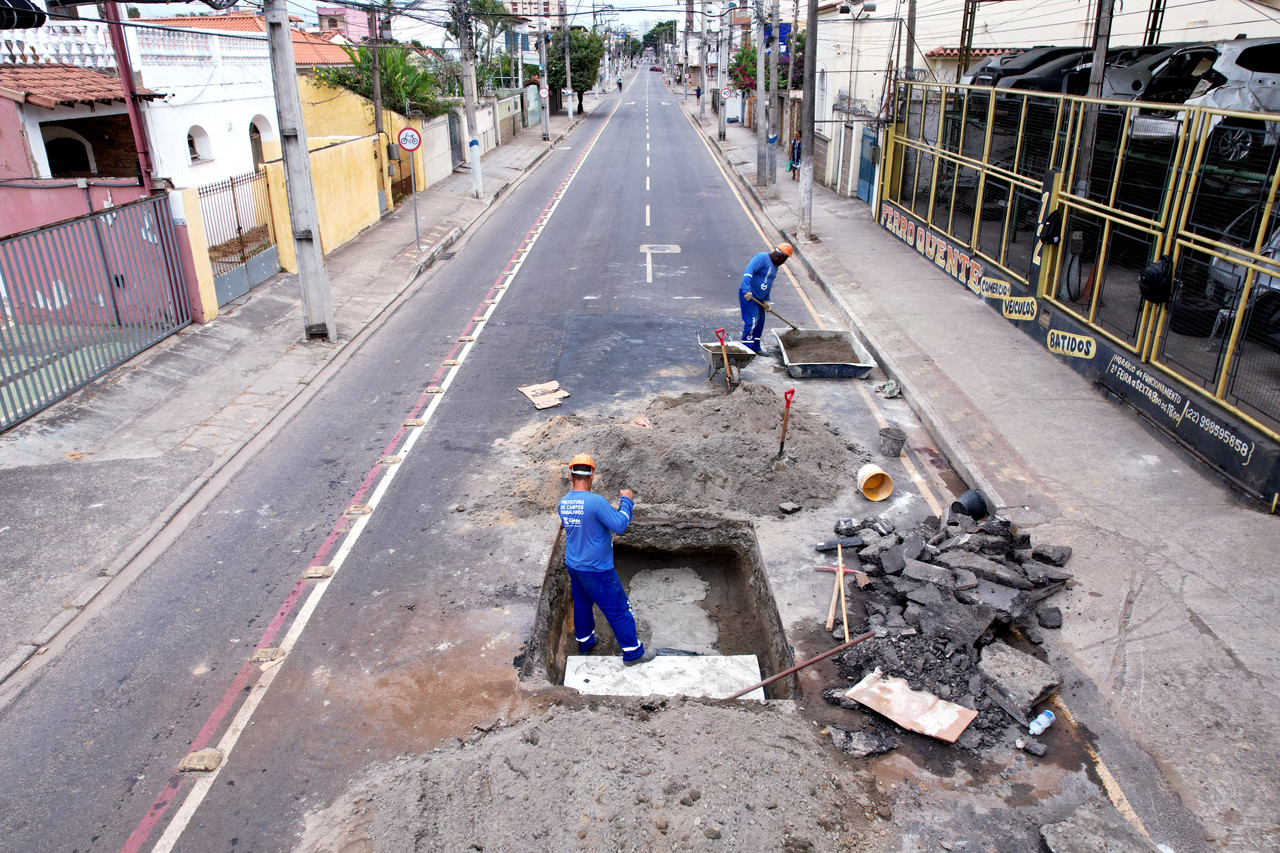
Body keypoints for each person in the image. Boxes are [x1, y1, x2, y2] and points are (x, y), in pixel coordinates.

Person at [557, 453, 655, 666]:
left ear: (571, 475)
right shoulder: (596, 502)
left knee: (583, 606)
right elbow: (620, 525)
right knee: (619, 610)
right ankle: (633, 653)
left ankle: (585, 643)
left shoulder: (564, 502)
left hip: (574, 565)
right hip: (597, 570)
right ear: (592, 475)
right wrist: (627, 501)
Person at [738, 243, 793, 352]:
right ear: (779, 257)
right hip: (749, 296)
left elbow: (768, 283)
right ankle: (746, 349)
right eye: (784, 260)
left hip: (760, 299)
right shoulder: (762, 257)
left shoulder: (775, 267)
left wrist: (767, 300)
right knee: (752, 321)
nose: (783, 263)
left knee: (760, 322)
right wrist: (747, 289)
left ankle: (756, 347)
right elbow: (748, 271)